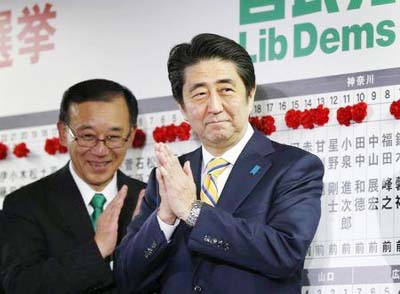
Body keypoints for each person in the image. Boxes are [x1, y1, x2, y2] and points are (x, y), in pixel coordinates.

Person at [116, 33, 324, 294]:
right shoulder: (169, 176)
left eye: (226, 90)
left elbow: (286, 253)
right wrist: (165, 218)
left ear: (250, 94)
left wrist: (193, 212)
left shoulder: (294, 167)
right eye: (200, 94)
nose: (214, 106)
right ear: (182, 106)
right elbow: (126, 278)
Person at [2, 79, 146, 293]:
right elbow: (20, 286)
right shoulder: (25, 205)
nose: (100, 150)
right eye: (87, 136)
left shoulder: (149, 199)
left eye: (113, 136)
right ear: (62, 132)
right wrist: (97, 249)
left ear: (131, 135)